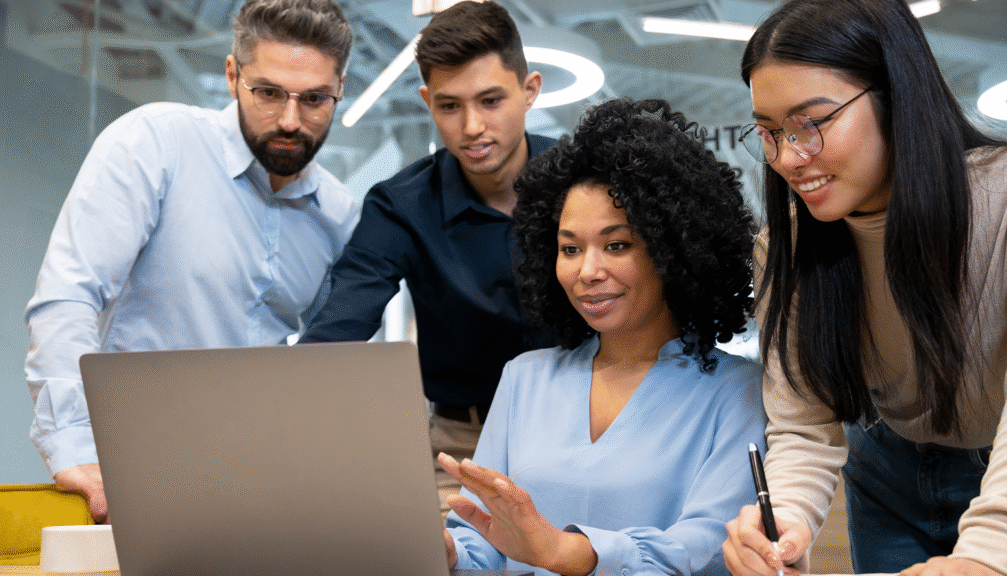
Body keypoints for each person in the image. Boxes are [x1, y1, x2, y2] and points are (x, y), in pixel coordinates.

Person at [24, 0, 359, 524]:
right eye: (268, 93)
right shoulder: (156, 143)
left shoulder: (338, 216)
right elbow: (69, 296)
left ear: (340, 91)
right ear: (232, 75)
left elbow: (319, 366)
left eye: (315, 99)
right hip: (126, 472)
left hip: (257, 483)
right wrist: (73, 447)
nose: (291, 121)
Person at [720, 0, 1007, 575]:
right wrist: (781, 520)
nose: (788, 157)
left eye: (811, 123)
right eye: (769, 132)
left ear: (895, 95)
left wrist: (990, 553)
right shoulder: (783, 245)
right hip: (887, 474)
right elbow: (804, 423)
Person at [437, 98, 767, 576]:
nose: (587, 271)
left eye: (617, 245)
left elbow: (707, 550)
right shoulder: (524, 379)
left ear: (675, 249)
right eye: (570, 248)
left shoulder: (737, 392)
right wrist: (447, 553)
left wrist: (565, 553)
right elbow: (482, 543)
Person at [299, 0, 555, 512]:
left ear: (529, 92)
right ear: (427, 101)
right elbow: (339, 325)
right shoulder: (401, 206)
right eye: (450, 106)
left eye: (490, 100)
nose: (472, 127)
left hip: (586, 433)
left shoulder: (589, 180)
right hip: (462, 449)